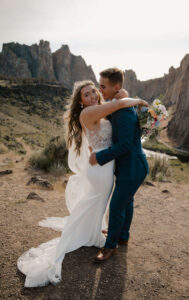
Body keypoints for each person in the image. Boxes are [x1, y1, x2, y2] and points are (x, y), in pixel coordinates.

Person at [17, 79, 148, 287]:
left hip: (104, 164)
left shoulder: (98, 109)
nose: (92, 96)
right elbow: (119, 103)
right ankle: (76, 235)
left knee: (97, 203)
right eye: (86, 95)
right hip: (100, 169)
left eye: (93, 92)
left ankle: (93, 231)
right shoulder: (87, 113)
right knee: (97, 202)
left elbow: (113, 116)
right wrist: (140, 101)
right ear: (80, 101)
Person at [89, 68, 149, 262]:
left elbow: (124, 145)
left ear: (116, 87)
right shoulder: (118, 106)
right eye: (99, 86)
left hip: (132, 169)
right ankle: (122, 236)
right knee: (127, 202)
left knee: (115, 207)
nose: (100, 90)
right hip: (129, 167)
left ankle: (110, 246)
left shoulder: (124, 112)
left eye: (103, 87)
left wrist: (99, 157)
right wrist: (119, 99)